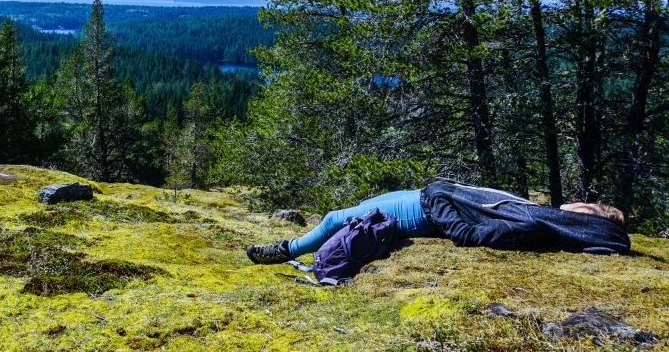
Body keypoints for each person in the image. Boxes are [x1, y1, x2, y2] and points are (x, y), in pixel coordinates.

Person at [246, 180, 629, 265]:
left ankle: (285, 251)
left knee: (334, 218)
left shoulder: (536, 223)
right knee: (362, 203)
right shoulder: (538, 215)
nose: (579, 201)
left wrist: (439, 201)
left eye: (586, 205)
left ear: (584, 216)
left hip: (422, 210)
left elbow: (468, 234)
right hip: (425, 199)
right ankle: (291, 248)